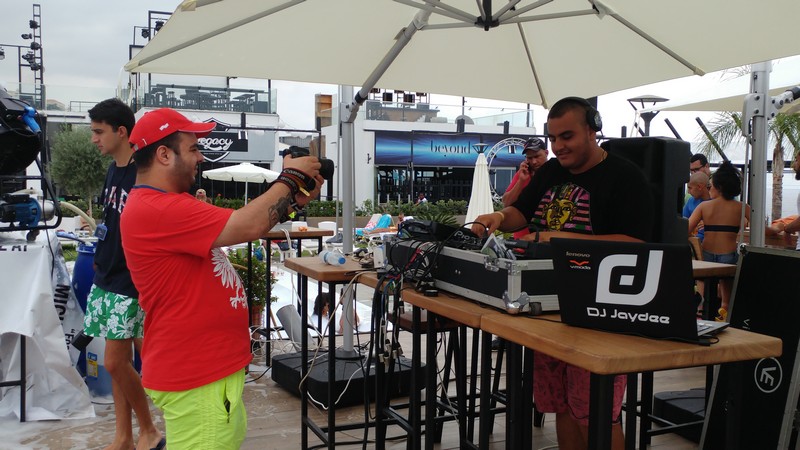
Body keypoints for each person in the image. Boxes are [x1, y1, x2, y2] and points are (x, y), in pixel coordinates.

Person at [120, 108, 322, 450]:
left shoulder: (169, 204)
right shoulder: (157, 209)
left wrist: (291, 202)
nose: (200, 157)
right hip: (196, 375)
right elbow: (248, 224)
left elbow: (242, 224)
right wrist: (289, 178)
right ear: (164, 154)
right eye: (193, 148)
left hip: (203, 373)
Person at [471, 97, 653, 450]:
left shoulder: (626, 177)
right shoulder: (551, 171)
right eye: (553, 138)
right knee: (563, 406)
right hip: (548, 310)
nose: (558, 146)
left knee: (596, 413)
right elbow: (521, 213)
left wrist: (558, 238)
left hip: (598, 315)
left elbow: (636, 243)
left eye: (567, 136)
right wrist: (498, 217)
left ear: (592, 130)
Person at [82, 98, 164, 450]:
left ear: (121, 131)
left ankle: (149, 430)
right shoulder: (113, 170)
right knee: (119, 363)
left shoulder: (141, 172)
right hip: (106, 274)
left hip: (130, 279)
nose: (94, 139)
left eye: (99, 132)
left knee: (115, 362)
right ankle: (124, 437)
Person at [687, 161, 749, 321]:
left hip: (706, 254)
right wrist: (779, 228)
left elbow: (685, 229)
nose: (709, 190)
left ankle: (701, 311)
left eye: (711, 186)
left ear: (719, 187)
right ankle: (724, 314)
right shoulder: (741, 207)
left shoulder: (704, 207)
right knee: (726, 299)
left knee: (703, 285)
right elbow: (761, 228)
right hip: (728, 255)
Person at [502, 137, 548, 239]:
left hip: (546, 238)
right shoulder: (523, 174)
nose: (534, 162)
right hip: (522, 238)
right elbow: (506, 203)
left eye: (537, 156)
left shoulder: (556, 173)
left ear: (546, 153)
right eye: (529, 158)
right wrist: (521, 181)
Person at [683, 171, 711, 241]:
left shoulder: (717, 202)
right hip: (693, 242)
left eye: (690, 188)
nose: (688, 192)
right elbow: (683, 223)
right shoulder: (690, 201)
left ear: (699, 187)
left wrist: (711, 224)